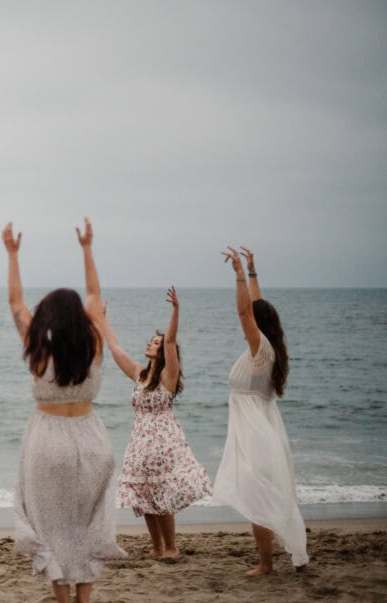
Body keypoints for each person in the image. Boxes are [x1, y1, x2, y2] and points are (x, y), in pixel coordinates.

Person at [3, 218, 125, 603]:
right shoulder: (94, 342)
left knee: (49, 522)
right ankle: (85, 602)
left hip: (47, 439)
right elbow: (93, 293)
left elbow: (16, 304)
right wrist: (87, 247)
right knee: (90, 520)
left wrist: (12, 254)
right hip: (91, 437)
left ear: (47, 318)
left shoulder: (38, 350)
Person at [212, 246, 309, 575]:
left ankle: (266, 565)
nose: (246, 321)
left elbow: (245, 313)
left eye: (253, 318)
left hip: (255, 435)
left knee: (257, 500)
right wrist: (253, 273)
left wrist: (239, 275)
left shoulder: (261, 349)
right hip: (257, 430)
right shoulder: (269, 347)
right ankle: (268, 561)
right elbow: (253, 310)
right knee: (259, 498)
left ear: (258, 324)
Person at [101, 287, 212, 559]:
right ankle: (156, 546)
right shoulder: (140, 375)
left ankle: (171, 546)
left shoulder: (168, 377)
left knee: (162, 495)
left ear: (163, 351)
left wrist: (175, 311)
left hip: (163, 443)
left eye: (155, 342)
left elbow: (171, 342)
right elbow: (116, 349)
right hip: (139, 444)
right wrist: (102, 320)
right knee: (144, 495)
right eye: (150, 340)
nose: (150, 343)